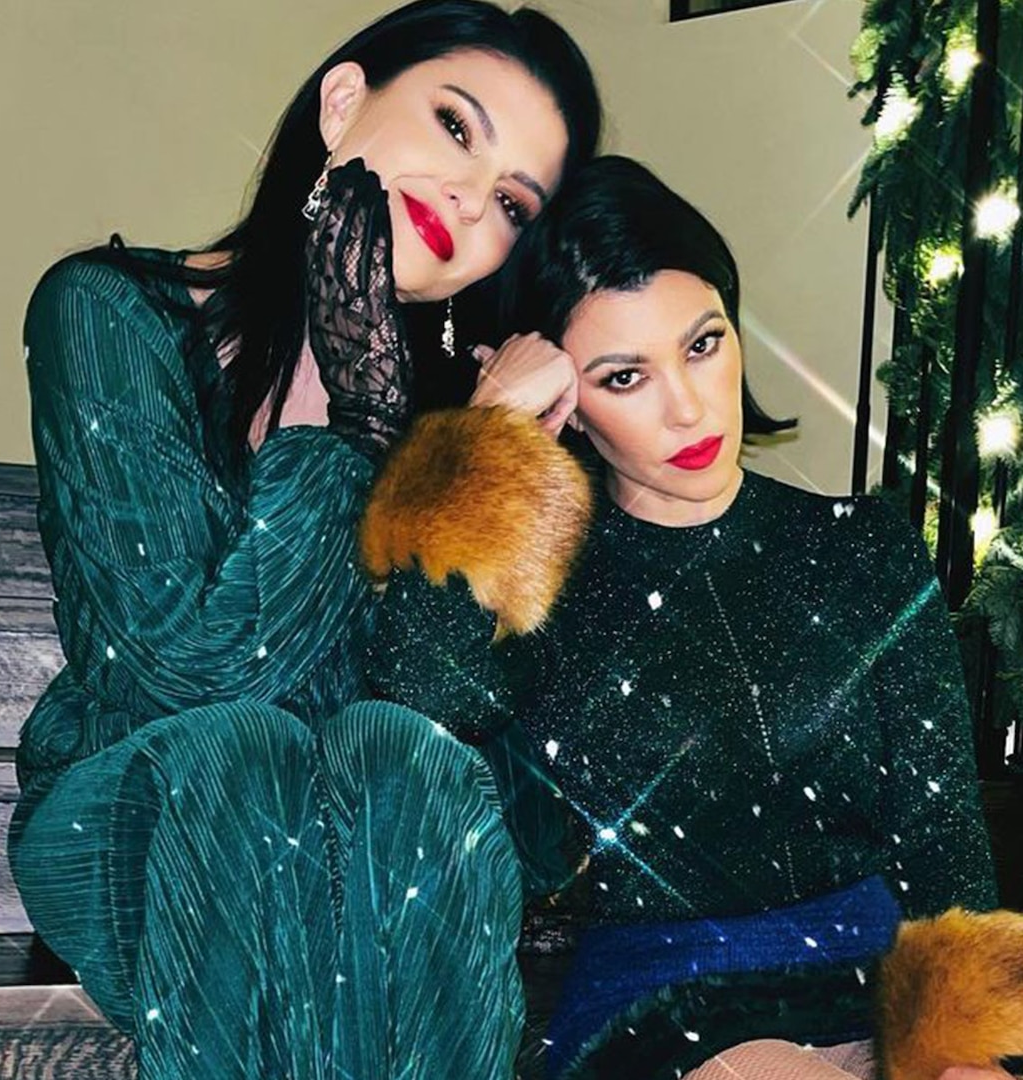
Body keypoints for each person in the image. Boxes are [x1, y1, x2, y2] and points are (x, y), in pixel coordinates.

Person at [7, 5, 601, 1078]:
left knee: (402, 763)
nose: (472, 199)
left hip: (361, 869)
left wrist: (473, 466)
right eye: (456, 126)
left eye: (513, 203)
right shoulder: (107, 311)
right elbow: (180, 672)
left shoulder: (460, 422)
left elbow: (479, 765)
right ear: (341, 104)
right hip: (143, 817)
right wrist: (357, 430)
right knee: (245, 757)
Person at [362, 156, 1013, 1080]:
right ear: (569, 406)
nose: (687, 406)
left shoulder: (863, 545)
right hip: (660, 1007)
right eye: (625, 377)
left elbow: (943, 839)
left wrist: (969, 1049)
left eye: (702, 345)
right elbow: (416, 697)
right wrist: (487, 438)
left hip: (876, 988)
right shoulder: (541, 576)